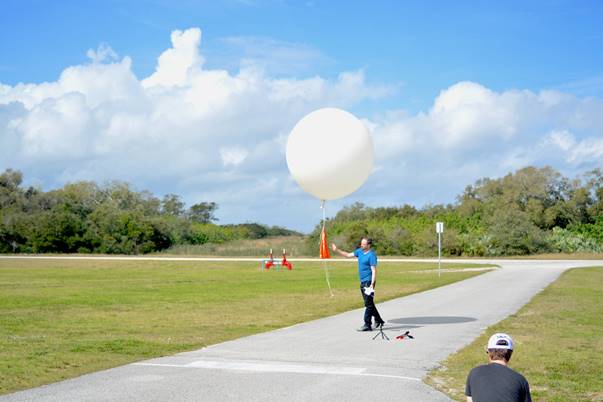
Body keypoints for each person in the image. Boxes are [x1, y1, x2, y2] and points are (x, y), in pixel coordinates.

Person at [331, 237, 385, 331]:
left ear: (368, 245)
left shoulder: (371, 255)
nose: (361, 245)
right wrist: (337, 250)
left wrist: (372, 284)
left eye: (363, 244)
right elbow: (347, 255)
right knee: (369, 303)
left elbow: (374, 270)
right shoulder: (359, 251)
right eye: (361, 243)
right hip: (363, 281)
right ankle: (379, 320)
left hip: (369, 281)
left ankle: (367, 324)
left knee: (368, 304)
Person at [465, 333, 532, 402]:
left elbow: (470, 400)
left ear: (489, 352)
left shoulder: (474, 373)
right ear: (510, 353)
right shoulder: (520, 380)